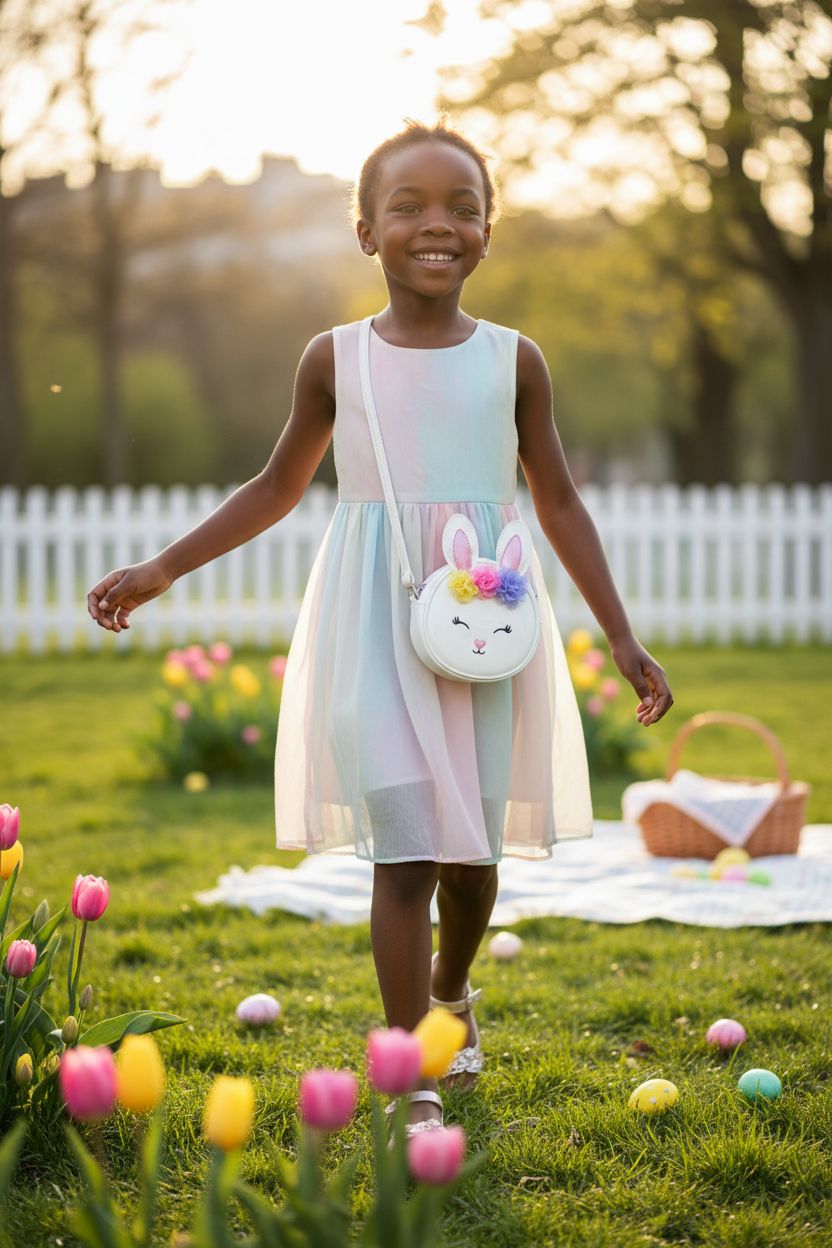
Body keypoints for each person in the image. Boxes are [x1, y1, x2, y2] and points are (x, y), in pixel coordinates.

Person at [87, 117, 673, 1136]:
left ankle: (450, 991)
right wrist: (163, 566)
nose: (435, 225)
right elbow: (278, 484)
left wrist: (619, 635)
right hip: (375, 620)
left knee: (472, 854)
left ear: (489, 229)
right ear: (365, 230)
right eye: (407, 206)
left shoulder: (515, 360)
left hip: (485, 620)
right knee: (404, 850)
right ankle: (414, 1074)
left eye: (461, 206)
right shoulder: (334, 359)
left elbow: (561, 501)